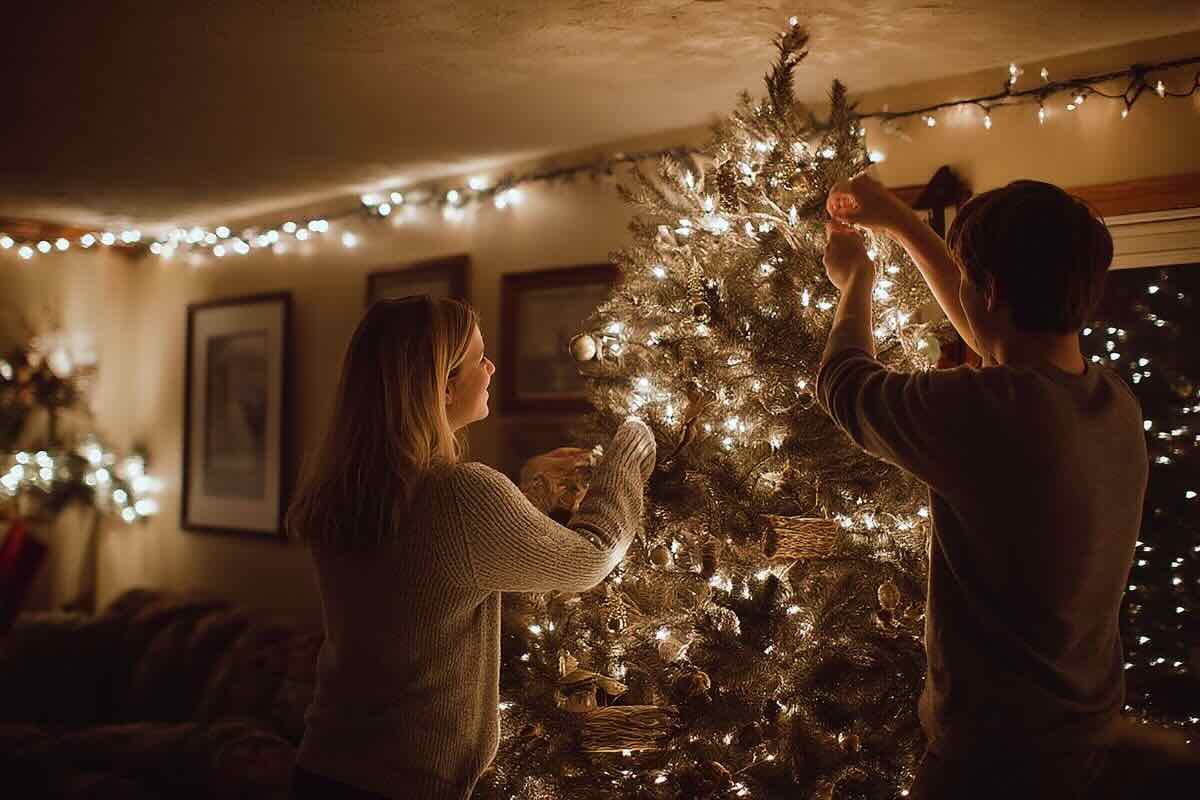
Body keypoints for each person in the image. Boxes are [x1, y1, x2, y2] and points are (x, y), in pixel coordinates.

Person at [818, 174, 1167, 797]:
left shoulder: (985, 411)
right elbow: (994, 337)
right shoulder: (1112, 402)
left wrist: (856, 283)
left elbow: (845, 385)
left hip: (993, 766)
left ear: (992, 288)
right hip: (1084, 747)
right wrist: (900, 223)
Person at [285, 295, 656, 799]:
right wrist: (629, 450)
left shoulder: (350, 489)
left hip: (323, 767)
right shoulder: (458, 493)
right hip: (404, 785)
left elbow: (445, 567)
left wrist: (538, 492)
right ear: (442, 385)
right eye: (479, 358)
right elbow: (591, 558)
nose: (492, 367)